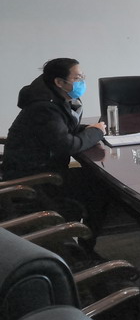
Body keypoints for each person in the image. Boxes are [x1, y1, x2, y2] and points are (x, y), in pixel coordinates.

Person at [1, 58, 107, 246]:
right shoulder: (44, 107)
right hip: (35, 178)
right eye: (78, 78)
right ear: (59, 82)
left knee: (95, 182)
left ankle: (82, 245)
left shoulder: (54, 97)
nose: (82, 82)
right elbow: (67, 145)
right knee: (100, 187)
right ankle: (82, 250)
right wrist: (96, 133)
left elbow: (60, 131)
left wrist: (88, 130)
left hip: (41, 168)